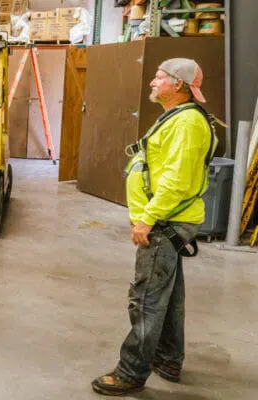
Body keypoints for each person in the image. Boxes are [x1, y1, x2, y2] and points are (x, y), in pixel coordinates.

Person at [91, 58, 217, 396]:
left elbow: (177, 179)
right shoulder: (178, 117)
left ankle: (132, 371)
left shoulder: (188, 123)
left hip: (165, 221)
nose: (152, 82)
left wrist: (148, 217)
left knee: (145, 299)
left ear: (178, 84)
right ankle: (168, 360)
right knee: (168, 296)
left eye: (158, 77)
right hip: (168, 219)